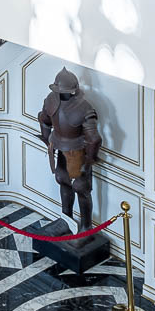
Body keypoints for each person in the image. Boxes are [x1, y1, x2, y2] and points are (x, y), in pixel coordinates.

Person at [38, 68, 101, 232]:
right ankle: (66, 219)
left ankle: (86, 228)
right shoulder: (52, 101)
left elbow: (94, 139)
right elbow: (44, 119)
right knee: (63, 180)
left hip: (76, 151)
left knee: (81, 187)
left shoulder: (83, 108)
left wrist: (88, 161)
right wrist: (47, 140)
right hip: (62, 149)